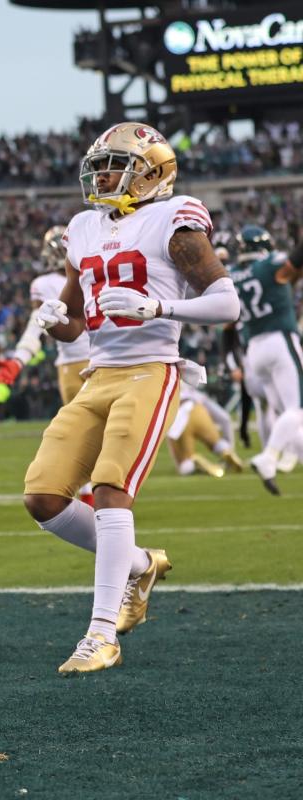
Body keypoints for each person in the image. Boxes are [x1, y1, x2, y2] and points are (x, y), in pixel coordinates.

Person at [21, 122, 239, 674]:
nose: (106, 176)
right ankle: (140, 564)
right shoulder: (83, 227)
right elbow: (75, 323)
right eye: (102, 167)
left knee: (111, 488)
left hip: (152, 368)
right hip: (98, 373)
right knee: (43, 497)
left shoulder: (175, 218)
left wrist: (160, 309)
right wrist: (55, 322)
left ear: (155, 172)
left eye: (119, 166)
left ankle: (101, 636)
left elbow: (226, 304)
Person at [0, 226, 94, 505]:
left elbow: (35, 326)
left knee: (87, 434)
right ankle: (94, 496)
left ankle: (90, 495)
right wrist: (19, 358)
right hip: (94, 362)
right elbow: (38, 324)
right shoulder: (88, 273)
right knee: (97, 434)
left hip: (80, 366)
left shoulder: (49, 281)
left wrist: (19, 359)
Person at [228, 225, 303, 495]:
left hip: (253, 351)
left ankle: (273, 455)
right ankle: (269, 456)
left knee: (287, 414)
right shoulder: (269, 264)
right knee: (298, 408)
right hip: (279, 339)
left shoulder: (232, 275)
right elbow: (295, 261)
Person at [165, 383, 242, 478]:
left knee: (184, 463)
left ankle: (193, 463)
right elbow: (225, 418)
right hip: (196, 407)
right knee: (216, 442)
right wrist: (230, 446)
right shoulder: (189, 385)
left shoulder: (161, 384)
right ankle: (225, 450)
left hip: (177, 415)